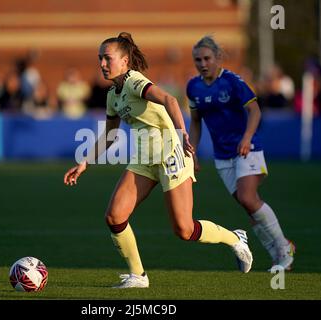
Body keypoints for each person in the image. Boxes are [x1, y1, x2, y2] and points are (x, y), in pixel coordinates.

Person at [64, 32, 253, 288]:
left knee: (184, 230)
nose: (102, 64)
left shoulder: (133, 81)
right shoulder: (112, 95)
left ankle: (234, 238)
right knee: (114, 216)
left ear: (125, 61)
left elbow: (169, 100)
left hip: (169, 154)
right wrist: (85, 162)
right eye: (100, 58)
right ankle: (138, 276)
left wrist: (181, 133)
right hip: (143, 157)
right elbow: (110, 135)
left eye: (107, 58)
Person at [186, 36, 295, 271]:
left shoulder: (233, 82)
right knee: (248, 205)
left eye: (207, 58)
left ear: (217, 58)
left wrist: (246, 138)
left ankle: (284, 249)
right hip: (222, 155)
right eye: (198, 60)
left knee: (247, 197)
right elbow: (195, 122)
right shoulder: (193, 87)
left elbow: (254, 111)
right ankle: (277, 255)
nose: (203, 63)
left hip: (247, 148)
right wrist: (191, 151)